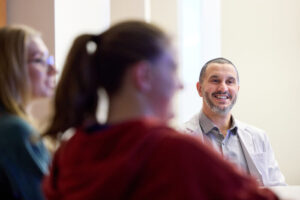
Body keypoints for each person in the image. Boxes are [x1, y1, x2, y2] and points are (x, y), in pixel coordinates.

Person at [43, 21, 278, 200]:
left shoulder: (68, 152)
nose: (180, 84)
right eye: (172, 69)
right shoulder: (174, 152)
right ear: (143, 76)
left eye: (230, 81)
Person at [182, 57, 286, 186]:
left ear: (237, 89)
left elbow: (277, 188)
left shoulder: (259, 137)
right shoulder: (180, 137)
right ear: (199, 89)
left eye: (230, 81)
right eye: (215, 80)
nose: (223, 88)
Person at [0, 25, 57, 199]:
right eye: (39, 60)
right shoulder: (16, 132)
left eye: (49, 60)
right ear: (11, 67)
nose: (54, 70)